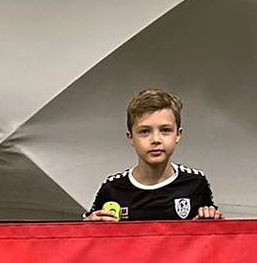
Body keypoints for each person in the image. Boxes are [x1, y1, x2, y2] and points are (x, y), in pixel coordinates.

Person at [85, 89, 221, 222]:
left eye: (165, 130)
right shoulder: (112, 188)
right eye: (145, 131)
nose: (156, 139)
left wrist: (211, 220)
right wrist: (89, 227)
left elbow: (212, 239)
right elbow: (87, 239)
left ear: (178, 134)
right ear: (130, 137)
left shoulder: (195, 183)